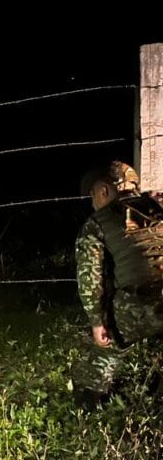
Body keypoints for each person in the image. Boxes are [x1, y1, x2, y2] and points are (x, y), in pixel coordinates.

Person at [72, 161, 163, 400]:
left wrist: (97, 322)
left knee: (104, 348)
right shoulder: (158, 206)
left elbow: (90, 279)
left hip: (142, 303)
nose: (93, 203)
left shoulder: (97, 223)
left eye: (92, 196)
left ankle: (90, 403)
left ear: (104, 190)